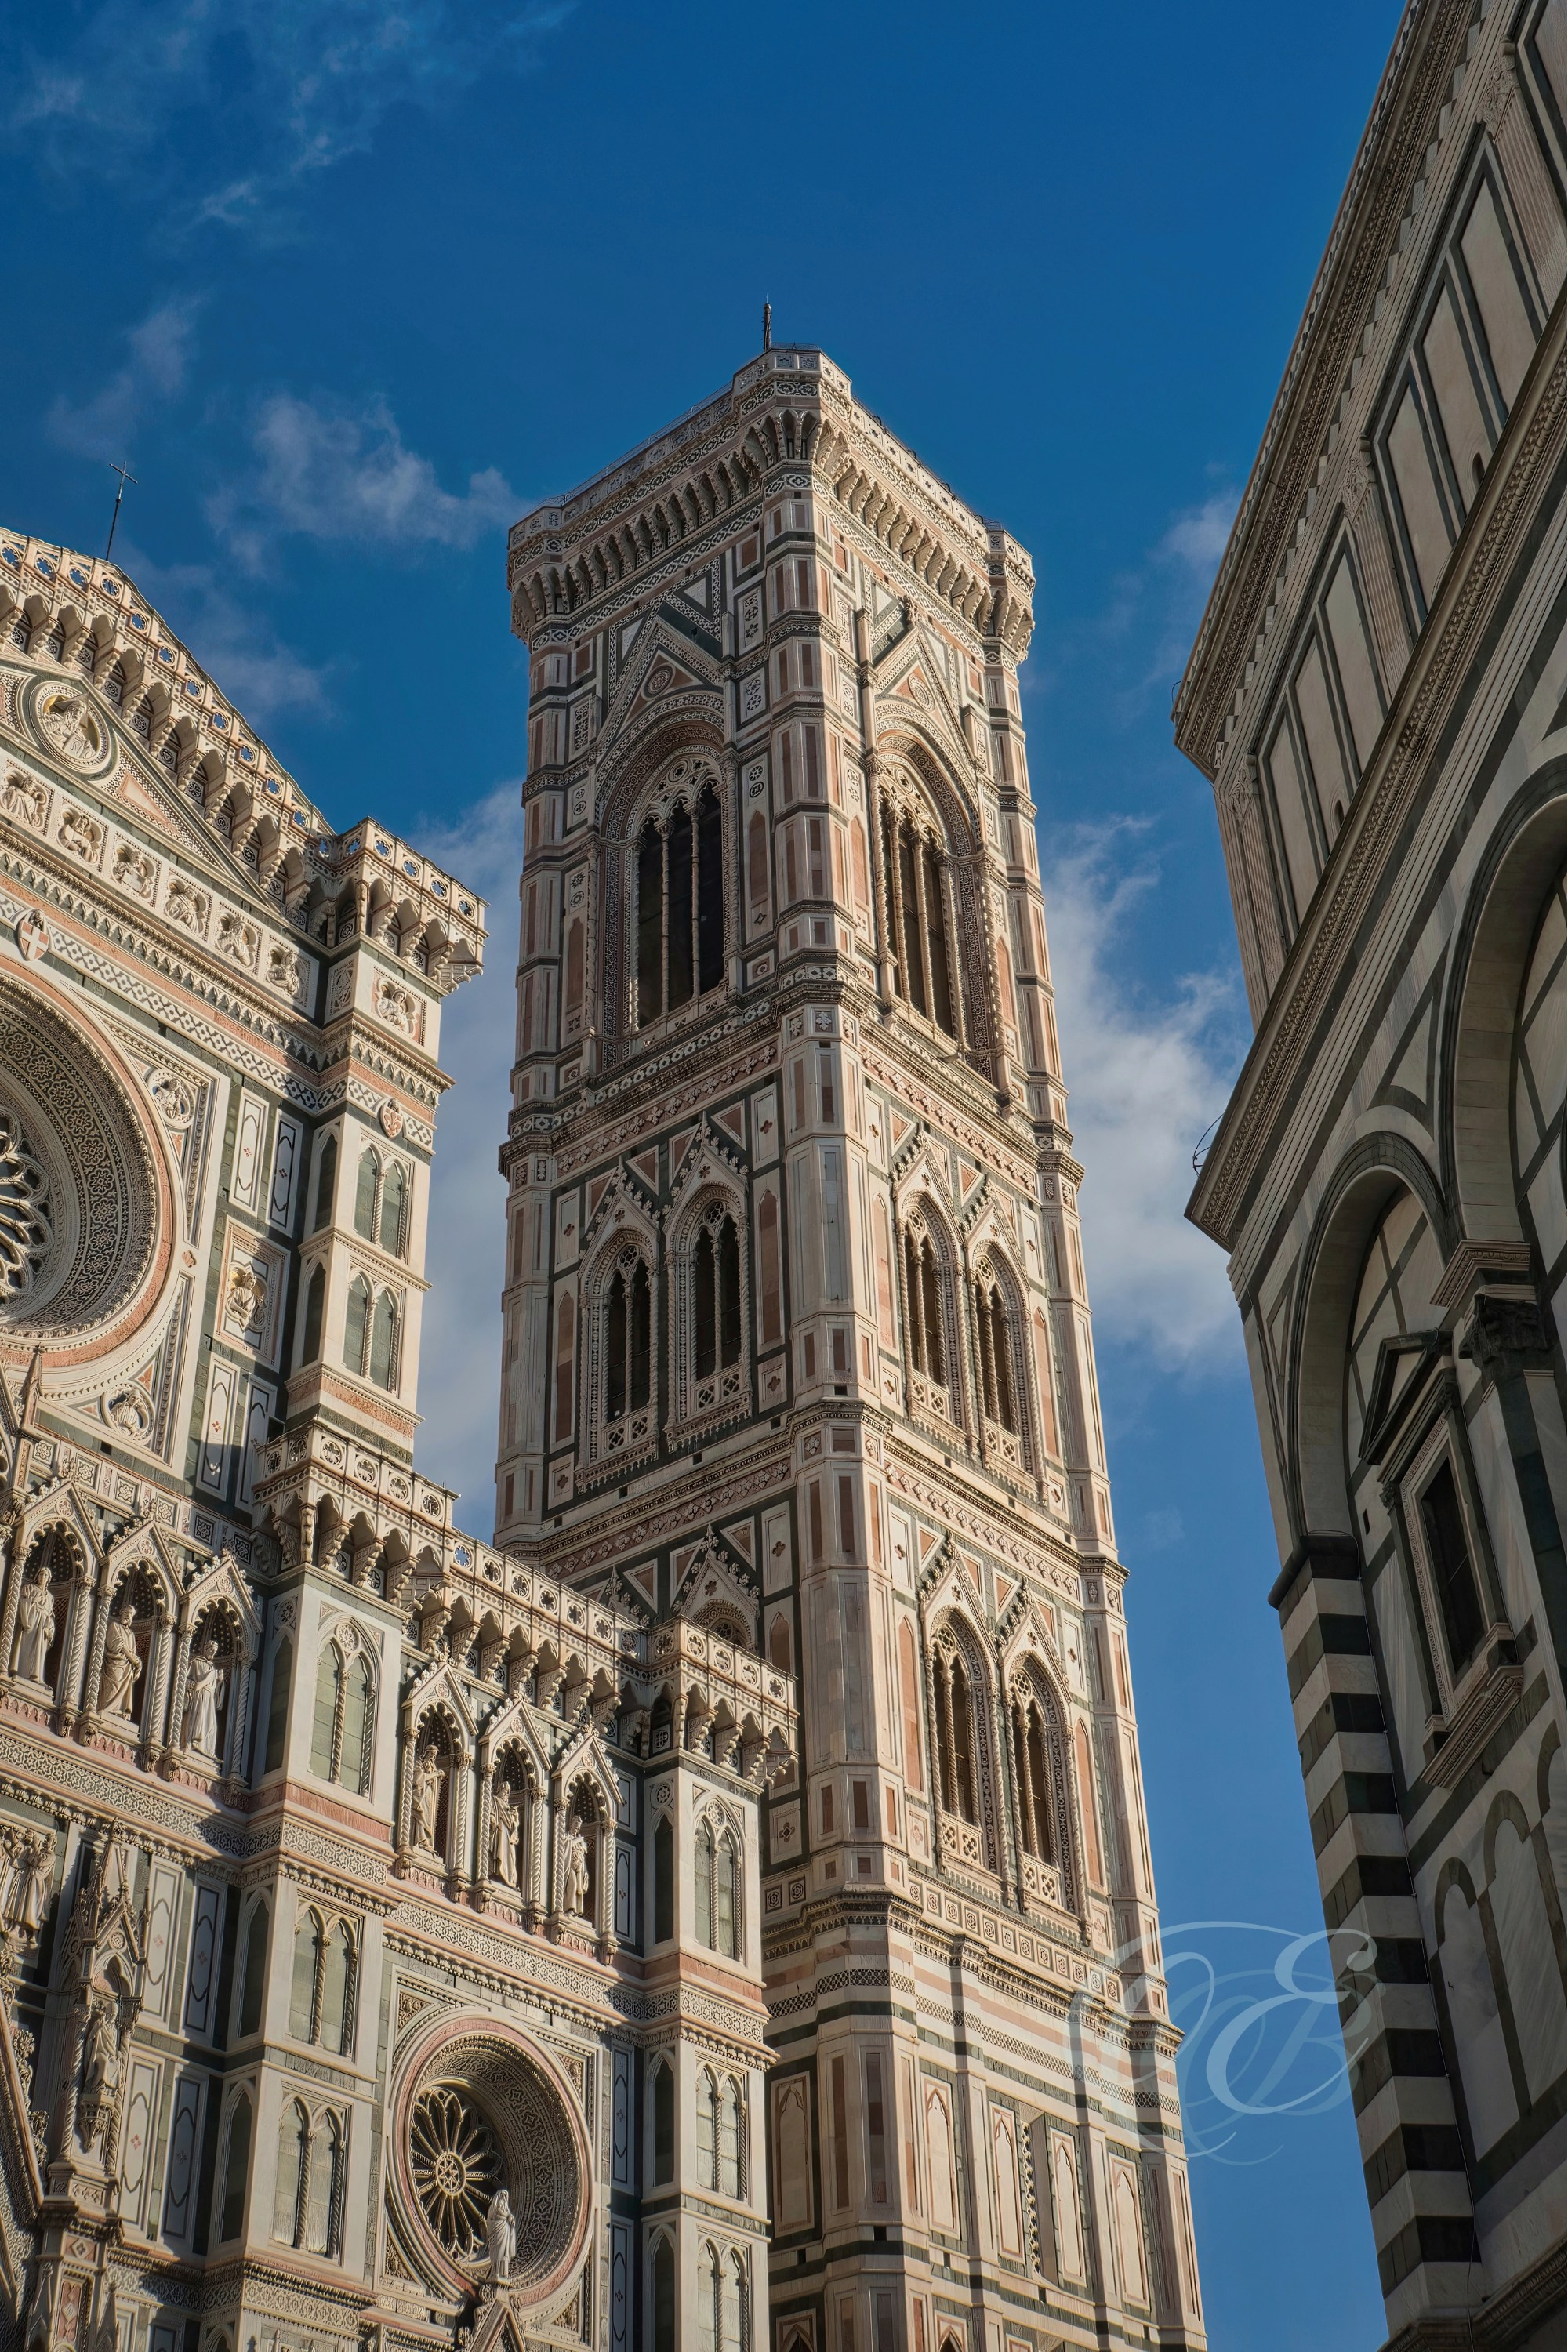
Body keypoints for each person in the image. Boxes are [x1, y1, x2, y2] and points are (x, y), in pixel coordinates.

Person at [99, 1599, 140, 1718]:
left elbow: (133, 1652)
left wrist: (138, 1663)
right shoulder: (115, 1626)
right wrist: (132, 1658)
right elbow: (117, 1644)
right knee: (114, 1684)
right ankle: (107, 1710)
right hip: (115, 1662)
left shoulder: (131, 1633)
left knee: (123, 1689)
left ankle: (119, 1711)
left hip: (127, 1666)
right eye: (126, 1612)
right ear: (122, 1613)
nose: (128, 1615)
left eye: (131, 1614)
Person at [13, 1565, 54, 1683]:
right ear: (37, 1576)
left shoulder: (50, 1597)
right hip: (31, 1619)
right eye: (41, 1574)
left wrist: (49, 1628)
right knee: (27, 1647)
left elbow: (49, 1615)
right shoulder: (29, 1588)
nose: (43, 1577)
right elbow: (22, 1603)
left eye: (46, 1575)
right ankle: (22, 1673)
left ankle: (35, 1675)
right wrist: (32, 1601)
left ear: (49, 1578)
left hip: (43, 1625)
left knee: (39, 1651)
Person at [183, 1634, 222, 1756]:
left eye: (214, 1651)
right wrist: (191, 1686)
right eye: (210, 1649)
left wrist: (220, 1681)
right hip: (199, 1695)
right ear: (205, 1649)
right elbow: (185, 1679)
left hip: (209, 1698)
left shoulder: (213, 1668)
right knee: (198, 1720)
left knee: (211, 1725)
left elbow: (216, 1692)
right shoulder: (196, 1662)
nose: (212, 1652)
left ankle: (207, 1749)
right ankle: (193, 1743)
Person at [491, 1777, 521, 1888]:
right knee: (501, 1853)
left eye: (508, 1792)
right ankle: (497, 1873)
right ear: (500, 1790)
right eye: (505, 1790)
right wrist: (493, 1820)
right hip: (500, 1831)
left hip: (509, 1836)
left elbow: (514, 1828)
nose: (506, 1793)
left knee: (511, 1855)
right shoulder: (494, 1800)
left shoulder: (508, 1808)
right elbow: (492, 1813)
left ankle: (509, 1879)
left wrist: (515, 1818)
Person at [412, 1744, 442, 1852]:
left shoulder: (432, 1766)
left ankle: (426, 1842)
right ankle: (420, 1841)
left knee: (428, 1817)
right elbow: (417, 1780)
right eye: (432, 1754)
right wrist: (435, 1774)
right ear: (427, 1753)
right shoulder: (418, 1763)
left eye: (435, 1755)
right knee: (420, 1815)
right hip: (420, 1794)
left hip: (429, 1795)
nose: (433, 1757)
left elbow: (432, 1780)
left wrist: (436, 1776)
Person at [561, 1812, 590, 1916]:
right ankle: (569, 1909)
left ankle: (575, 1911)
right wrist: (579, 1840)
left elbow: (583, 1854)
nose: (577, 1826)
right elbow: (569, 1844)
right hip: (569, 1866)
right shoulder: (567, 1837)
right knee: (572, 1883)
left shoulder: (581, 1841)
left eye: (579, 1824)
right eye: (576, 1823)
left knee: (578, 1887)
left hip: (579, 1868)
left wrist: (585, 1872)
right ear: (571, 1824)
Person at [485, 2186, 514, 2283]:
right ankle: (495, 2272)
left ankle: (503, 2272)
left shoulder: (505, 2208)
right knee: (497, 2252)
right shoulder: (496, 2207)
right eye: (502, 2195)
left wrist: (511, 2219)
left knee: (504, 2253)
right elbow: (496, 2213)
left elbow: (507, 2214)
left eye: (505, 2196)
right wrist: (507, 2216)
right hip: (497, 2230)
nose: (504, 2198)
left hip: (504, 2230)